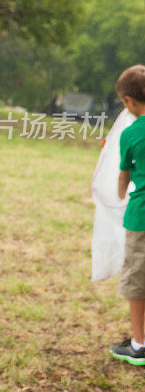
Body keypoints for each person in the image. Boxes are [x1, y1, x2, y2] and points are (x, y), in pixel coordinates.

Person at [111, 64, 145, 365]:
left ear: (129, 101)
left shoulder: (131, 133)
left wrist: (119, 194)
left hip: (141, 219)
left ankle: (138, 344)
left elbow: (123, 178)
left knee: (137, 282)